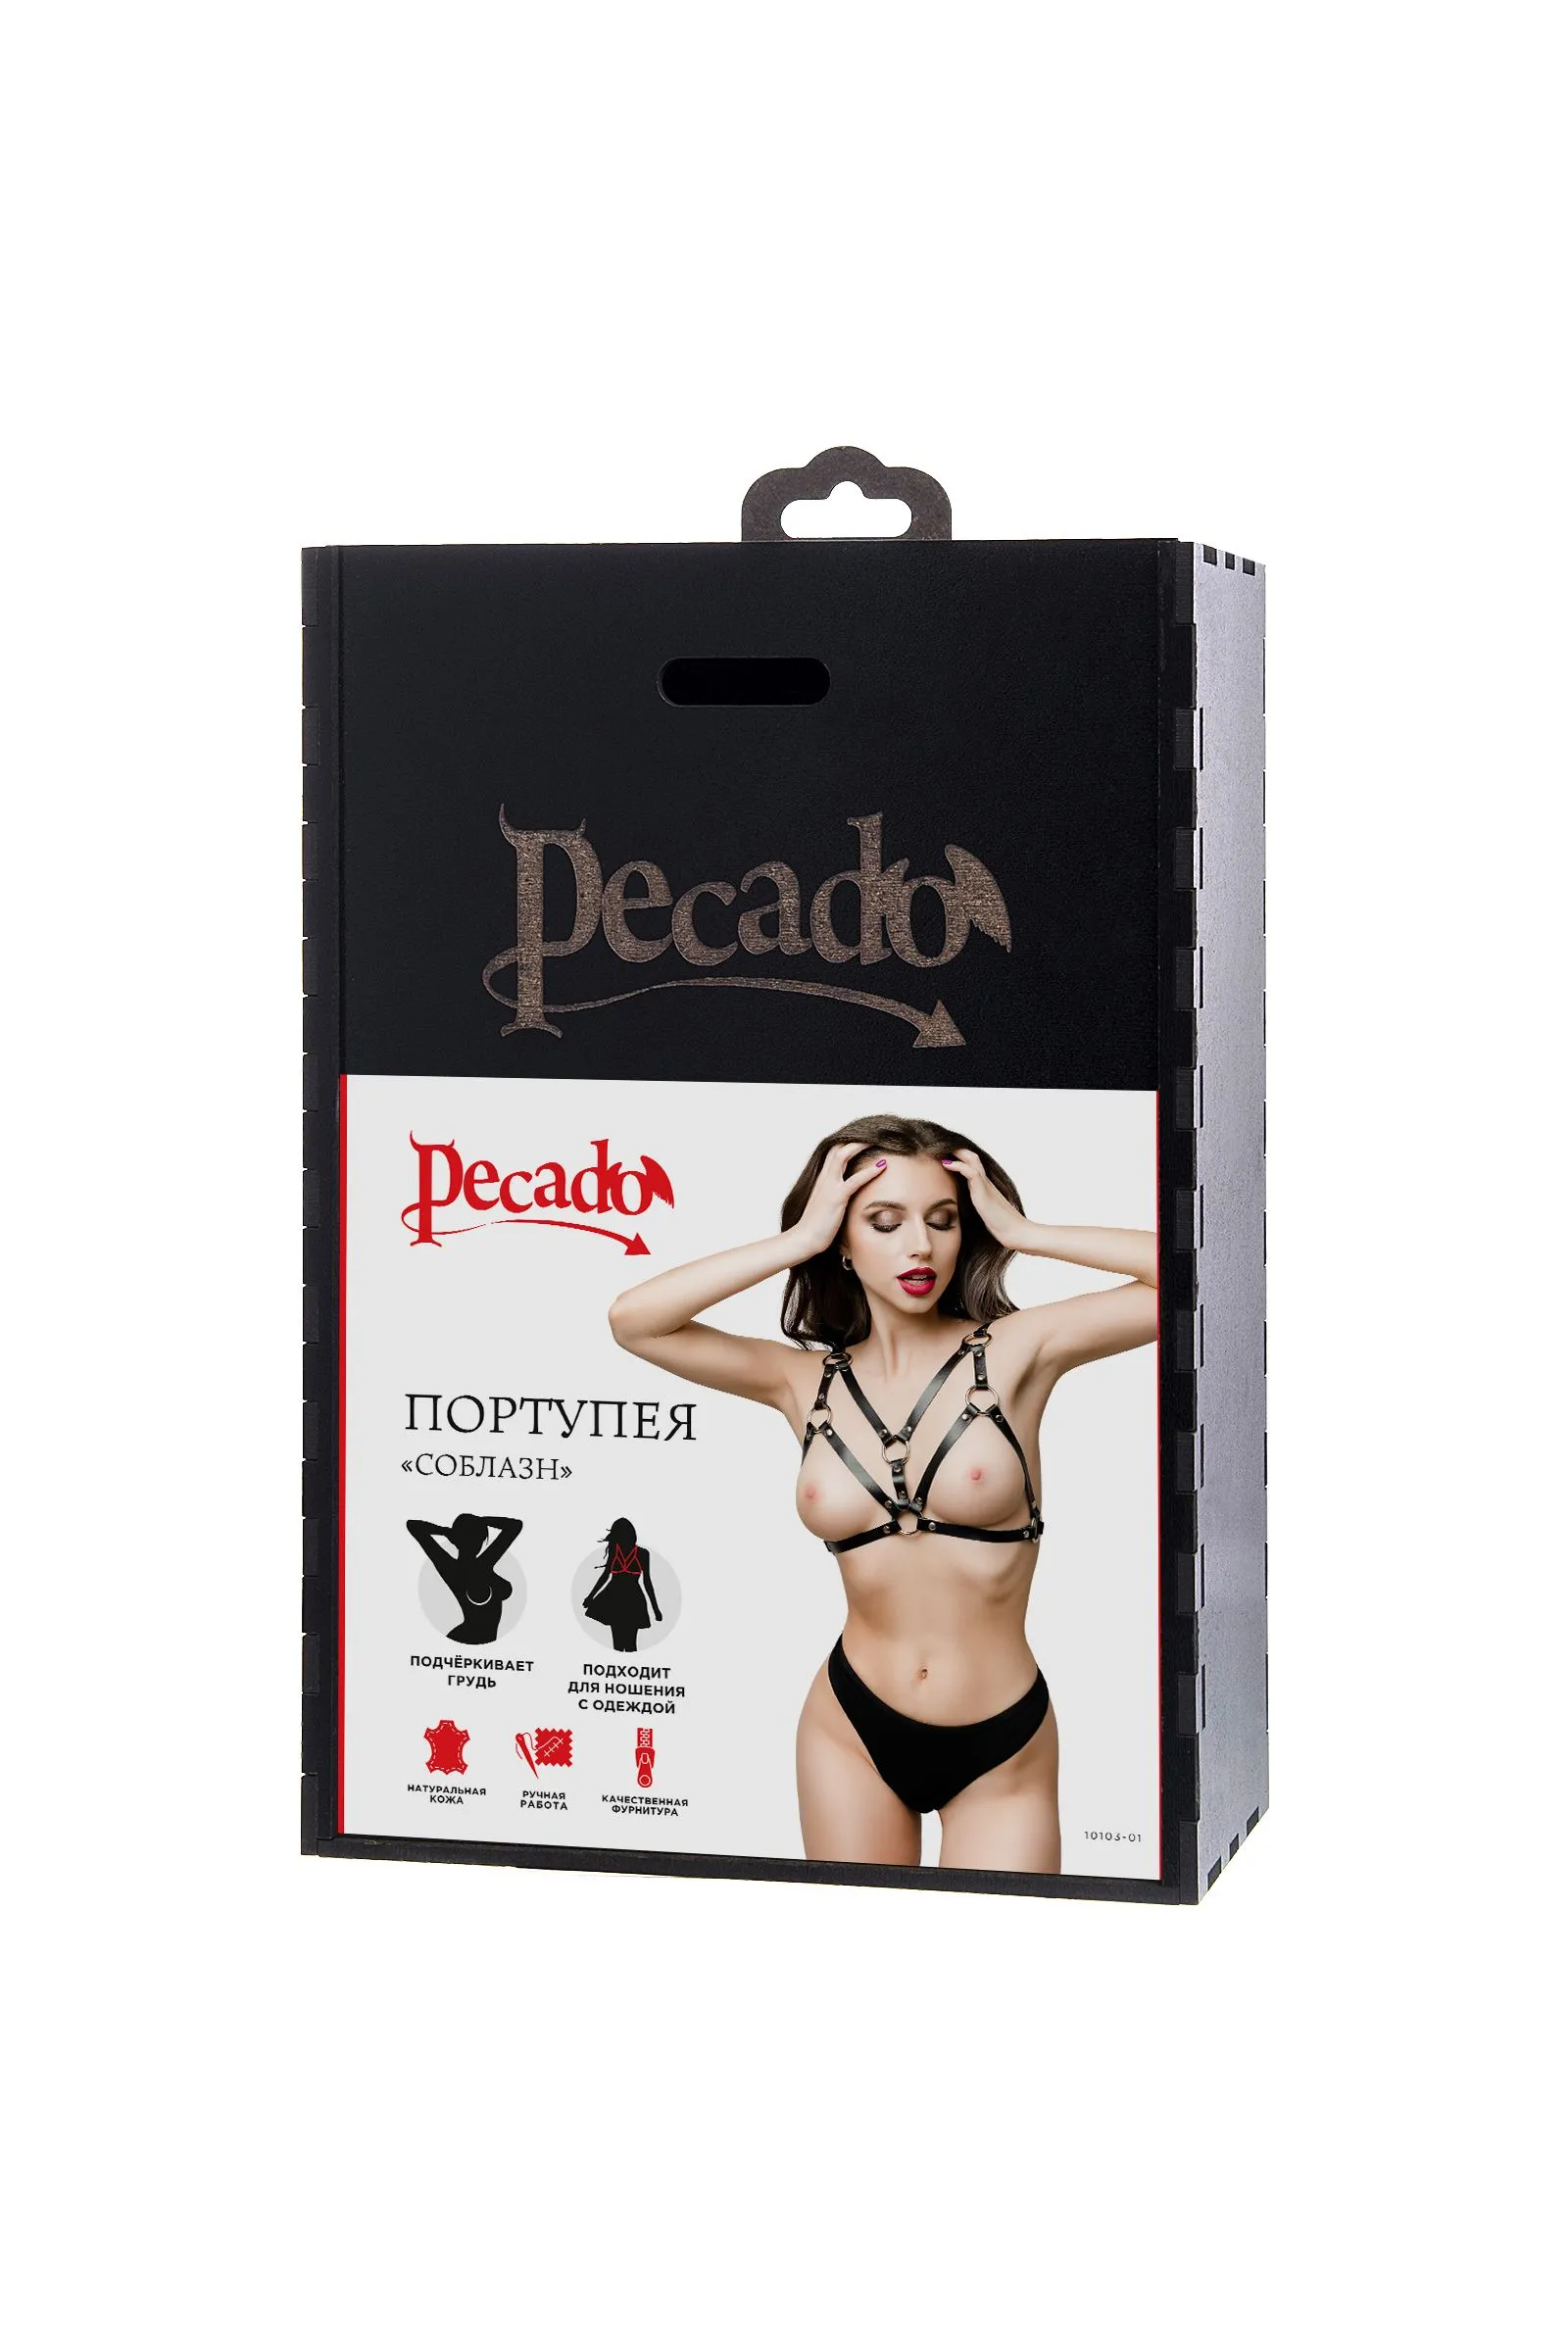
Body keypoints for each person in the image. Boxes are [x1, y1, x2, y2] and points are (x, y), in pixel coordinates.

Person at [607, 1113, 1156, 1873]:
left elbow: (1195, 1270)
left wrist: (1025, 1232)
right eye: (885, 1222)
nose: (919, 1246)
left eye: (943, 1220)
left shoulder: (1019, 1350)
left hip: (1000, 1739)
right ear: (843, 1238)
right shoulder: (800, 1380)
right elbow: (634, 1321)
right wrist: (799, 1240)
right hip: (849, 1728)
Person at [581, 1516, 662, 1654]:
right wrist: (590, 1596)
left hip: (631, 1600)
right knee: (619, 1645)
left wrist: (656, 1609)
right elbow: (605, 1575)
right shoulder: (615, 1551)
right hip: (615, 1599)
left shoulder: (642, 1553)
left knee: (629, 1645)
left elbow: (647, 1582)